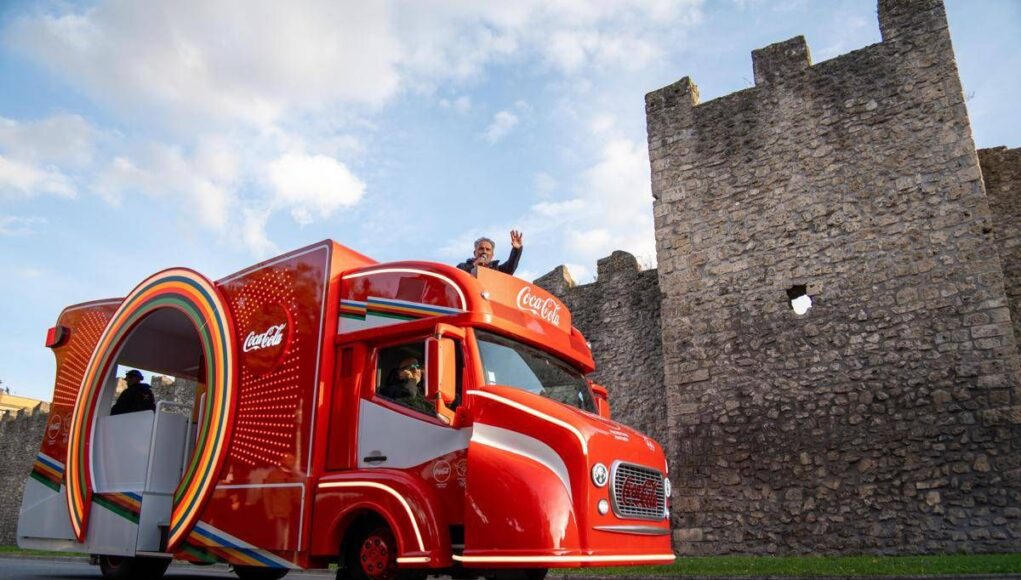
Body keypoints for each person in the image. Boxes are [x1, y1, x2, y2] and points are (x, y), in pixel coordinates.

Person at [456, 230, 523, 275]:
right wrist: (474, 266)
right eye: (481, 249)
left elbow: (510, 267)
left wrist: (516, 250)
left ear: (492, 255)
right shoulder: (462, 267)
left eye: (488, 249)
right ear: (474, 253)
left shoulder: (498, 270)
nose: (484, 251)